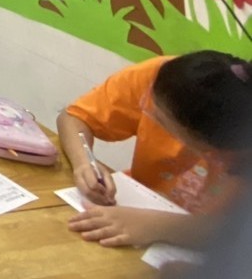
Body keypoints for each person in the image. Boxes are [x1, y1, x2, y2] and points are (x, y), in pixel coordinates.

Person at [57, 50, 252, 249]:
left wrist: (158, 226)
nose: (146, 107)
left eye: (160, 119)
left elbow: (236, 233)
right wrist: (84, 162)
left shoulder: (239, 145)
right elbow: (74, 118)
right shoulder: (168, 78)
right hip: (134, 208)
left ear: (209, 151)